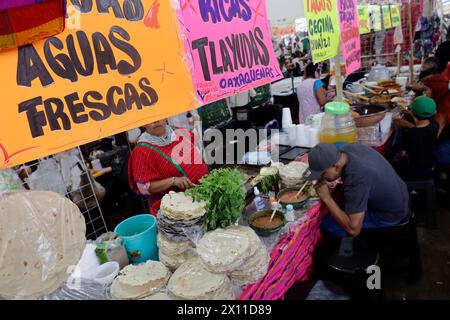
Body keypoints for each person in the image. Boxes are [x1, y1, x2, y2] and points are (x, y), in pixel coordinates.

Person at [307, 143, 410, 238]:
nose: (320, 177)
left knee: (329, 225)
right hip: (401, 194)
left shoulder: (356, 179)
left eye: (322, 173)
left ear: (336, 167)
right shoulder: (349, 149)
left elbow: (354, 230)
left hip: (392, 214)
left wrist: (327, 198)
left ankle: (348, 253)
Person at [128, 119, 209, 206]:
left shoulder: (179, 131)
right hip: (177, 205)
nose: (156, 121)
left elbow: (197, 149)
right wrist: (173, 181)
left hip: (204, 189)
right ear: (142, 123)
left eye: (159, 115)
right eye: (150, 119)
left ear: (165, 118)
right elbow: (144, 188)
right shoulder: (141, 151)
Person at [408, 57, 450, 165]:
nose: (424, 93)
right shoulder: (441, 100)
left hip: (444, 147)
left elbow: (430, 138)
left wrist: (409, 125)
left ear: (436, 90)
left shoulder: (442, 111)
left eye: (426, 89)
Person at [393, 96, 439, 180]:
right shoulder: (435, 125)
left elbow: (402, 153)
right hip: (430, 165)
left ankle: (410, 189)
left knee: (392, 157)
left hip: (414, 171)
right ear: (434, 112)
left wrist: (407, 125)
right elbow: (421, 130)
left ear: (413, 113)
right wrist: (411, 124)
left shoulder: (410, 133)